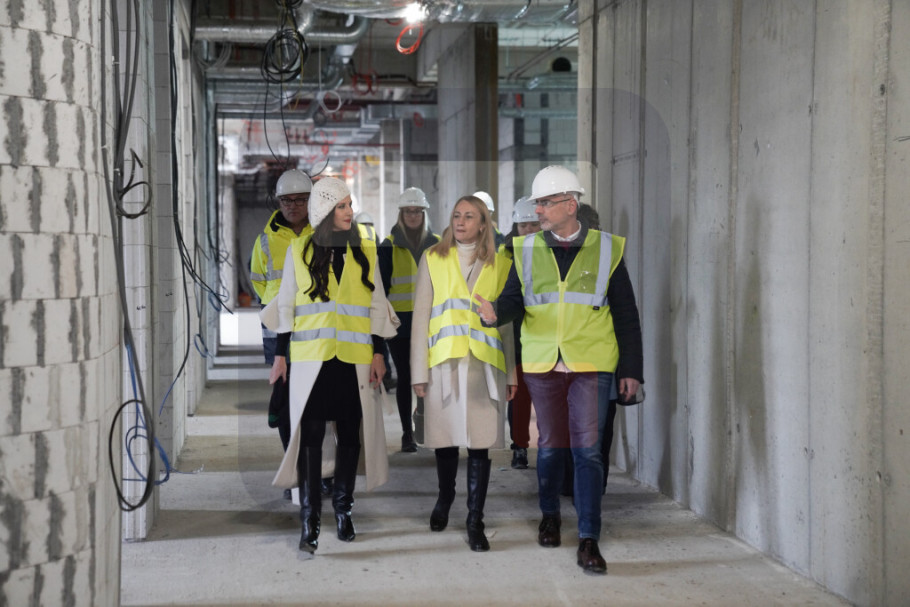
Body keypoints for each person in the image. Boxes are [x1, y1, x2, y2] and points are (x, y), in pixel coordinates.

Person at [475, 165, 643, 574]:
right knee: (550, 447)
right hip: (543, 361)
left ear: (571, 205)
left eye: (546, 203)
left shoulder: (607, 249)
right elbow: (514, 300)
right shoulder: (525, 249)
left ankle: (589, 538)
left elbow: (626, 314)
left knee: (588, 451)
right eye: (537, 204)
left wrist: (631, 369)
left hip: (592, 362)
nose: (538, 211)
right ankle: (549, 516)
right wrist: (494, 314)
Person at [260, 176, 400, 553]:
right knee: (310, 438)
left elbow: (376, 304)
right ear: (324, 211)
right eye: (342, 206)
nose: (349, 211)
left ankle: (343, 509)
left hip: (353, 360)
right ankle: (309, 518)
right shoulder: (300, 250)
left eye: (350, 205)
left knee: (350, 437)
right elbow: (286, 305)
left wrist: (379, 354)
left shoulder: (365, 248)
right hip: (312, 361)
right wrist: (280, 357)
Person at [410, 195, 517, 552]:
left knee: (480, 444)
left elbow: (506, 324)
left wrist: (512, 374)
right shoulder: (433, 258)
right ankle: (445, 498)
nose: (460, 221)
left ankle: (475, 519)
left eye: (469, 216)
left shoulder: (501, 263)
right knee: (445, 439)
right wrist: (418, 372)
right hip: (444, 364)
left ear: (484, 224)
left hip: (484, 367)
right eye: (457, 215)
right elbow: (421, 318)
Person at [250, 168, 330, 500]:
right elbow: (258, 281)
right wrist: (277, 309)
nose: (293, 206)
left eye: (300, 200)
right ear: (279, 202)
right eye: (287, 200)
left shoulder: (325, 234)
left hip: (315, 328)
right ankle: (296, 473)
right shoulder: (265, 241)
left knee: (317, 402)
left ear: (310, 201)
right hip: (277, 329)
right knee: (285, 404)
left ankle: (321, 472)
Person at [378, 187, 440, 452]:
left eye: (417, 211)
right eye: (408, 211)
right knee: (405, 376)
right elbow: (381, 290)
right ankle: (407, 433)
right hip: (401, 325)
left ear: (424, 213)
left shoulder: (438, 244)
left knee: (429, 376)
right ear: (401, 214)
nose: (413, 215)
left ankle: (423, 420)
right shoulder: (389, 246)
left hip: (431, 322)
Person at [500, 196, 541, 469]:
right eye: (523, 226)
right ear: (515, 227)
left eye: (533, 225)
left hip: (544, 334)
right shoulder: (504, 255)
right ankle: (519, 446)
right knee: (519, 396)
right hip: (515, 334)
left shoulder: (550, 253)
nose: (528, 230)